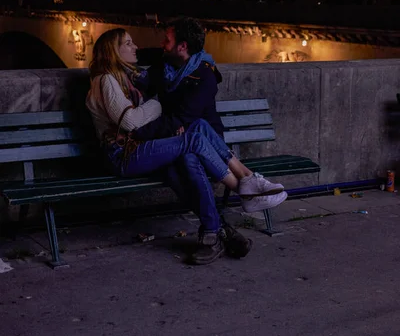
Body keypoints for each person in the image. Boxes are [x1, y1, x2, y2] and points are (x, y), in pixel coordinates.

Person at [86, 28, 287, 265]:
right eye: (128, 44)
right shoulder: (106, 80)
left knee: (190, 149)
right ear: (113, 51)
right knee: (193, 139)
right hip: (123, 155)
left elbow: (141, 117)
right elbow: (130, 122)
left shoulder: (125, 78)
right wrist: (158, 104)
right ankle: (242, 188)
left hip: (142, 149)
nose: (135, 47)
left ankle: (215, 231)